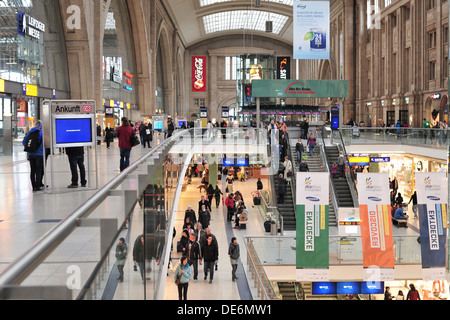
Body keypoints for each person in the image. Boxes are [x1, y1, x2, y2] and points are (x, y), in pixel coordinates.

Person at [22, 121, 44, 192]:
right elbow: (45, 144)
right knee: (38, 170)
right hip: (39, 154)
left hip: (31, 154)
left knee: (32, 170)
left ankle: (33, 186)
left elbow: (24, 142)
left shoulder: (30, 132)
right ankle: (38, 186)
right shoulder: (41, 133)